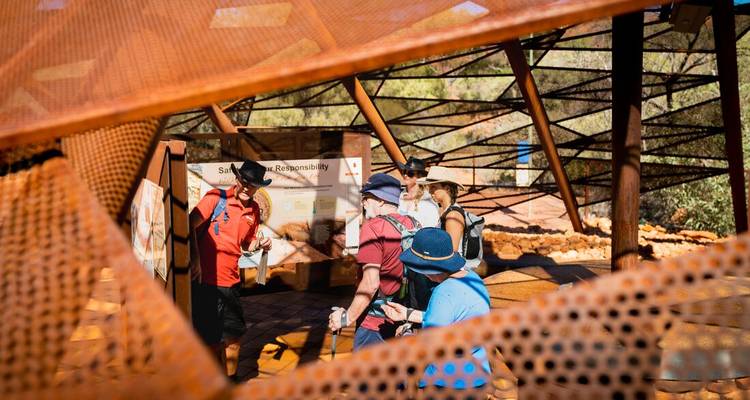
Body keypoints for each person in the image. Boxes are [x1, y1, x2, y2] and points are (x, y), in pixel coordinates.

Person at [189, 160, 273, 382]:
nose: (247, 188)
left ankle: (230, 381)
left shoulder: (254, 210)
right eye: (244, 182)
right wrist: (195, 258)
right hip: (206, 282)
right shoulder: (216, 198)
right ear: (237, 179)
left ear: (258, 187)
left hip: (231, 283)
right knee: (209, 340)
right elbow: (189, 223)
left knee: (234, 337)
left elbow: (246, 244)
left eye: (253, 185)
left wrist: (260, 244)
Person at [382, 227, 491, 390]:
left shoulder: (444, 292)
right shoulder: (473, 279)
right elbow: (455, 319)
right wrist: (408, 314)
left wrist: (405, 336)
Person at [327, 173, 418, 350]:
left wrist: (347, 318)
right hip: (403, 317)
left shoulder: (374, 227)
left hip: (375, 323)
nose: (363, 203)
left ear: (381, 201)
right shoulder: (413, 223)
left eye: (366, 198)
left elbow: (370, 283)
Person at [418, 166, 466, 255]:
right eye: (429, 188)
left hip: (451, 267)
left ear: (447, 189)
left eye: (434, 187)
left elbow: (452, 250)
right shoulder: (444, 211)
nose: (430, 192)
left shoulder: (453, 215)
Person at [397, 156, 440, 228]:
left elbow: (431, 229)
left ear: (420, 176)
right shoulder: (397, 195)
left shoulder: (428, 202)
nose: (405, 175)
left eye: (410, 173)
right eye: (404, 171)